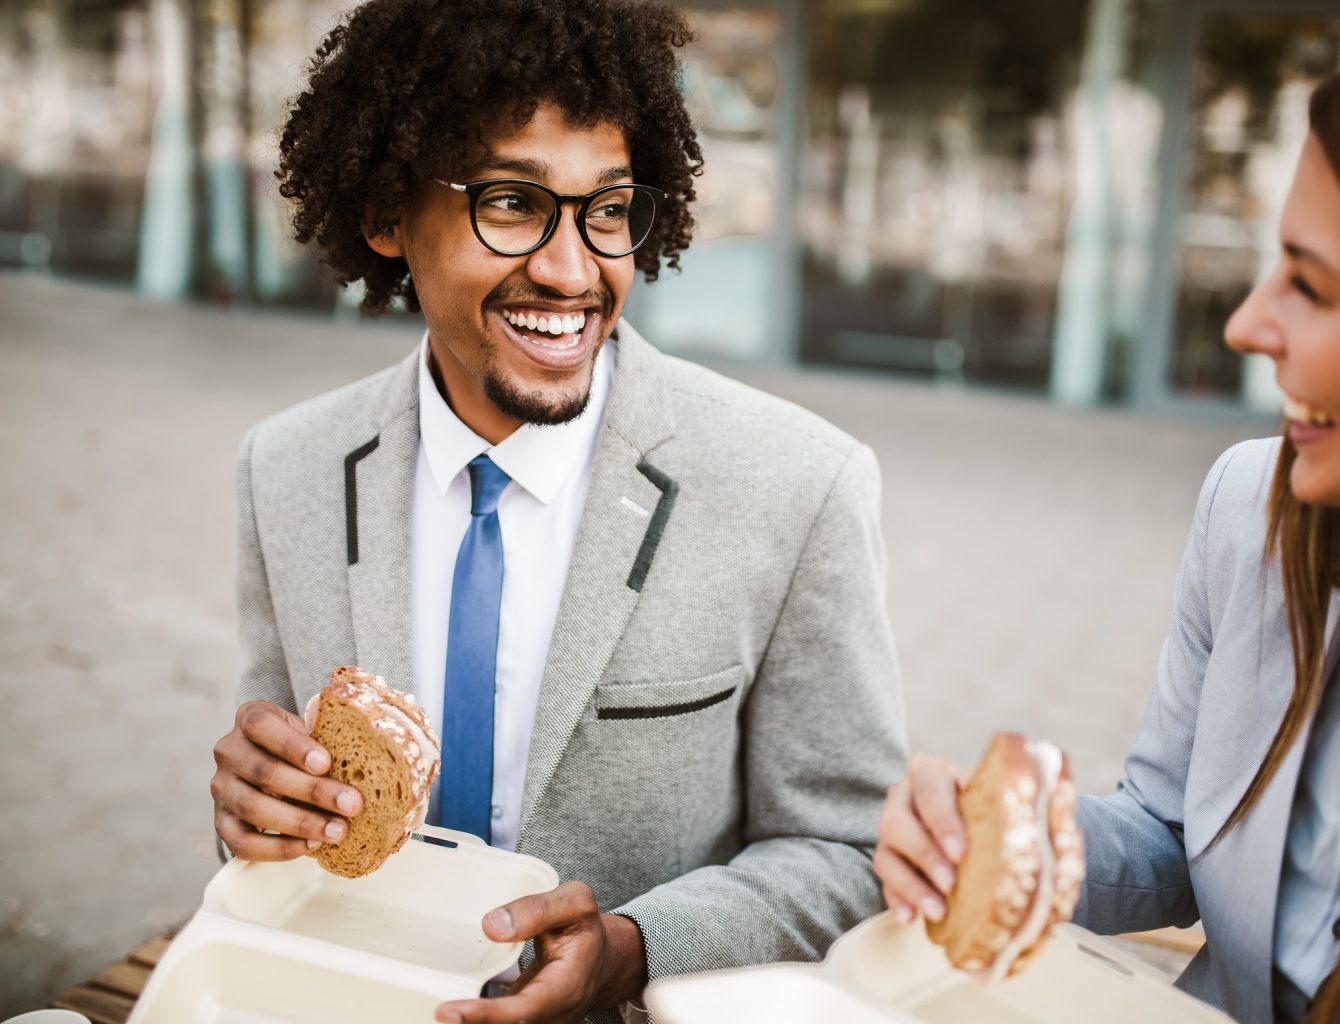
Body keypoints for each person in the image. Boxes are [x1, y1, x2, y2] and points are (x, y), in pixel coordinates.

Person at [206, 2, 908, 1022]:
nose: (573, 271)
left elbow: (852, 852)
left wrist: (635, 951)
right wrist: (253, 811)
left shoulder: (800, 483)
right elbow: (276, 828)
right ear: (387, 213)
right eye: (510, 202)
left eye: (608, 209)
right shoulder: (285, 468)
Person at [874, 6, 1340, 1023]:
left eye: (1311, 284)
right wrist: (998, 845)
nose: (1245, 324)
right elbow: (1172, 833)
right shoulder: (1250, 510)